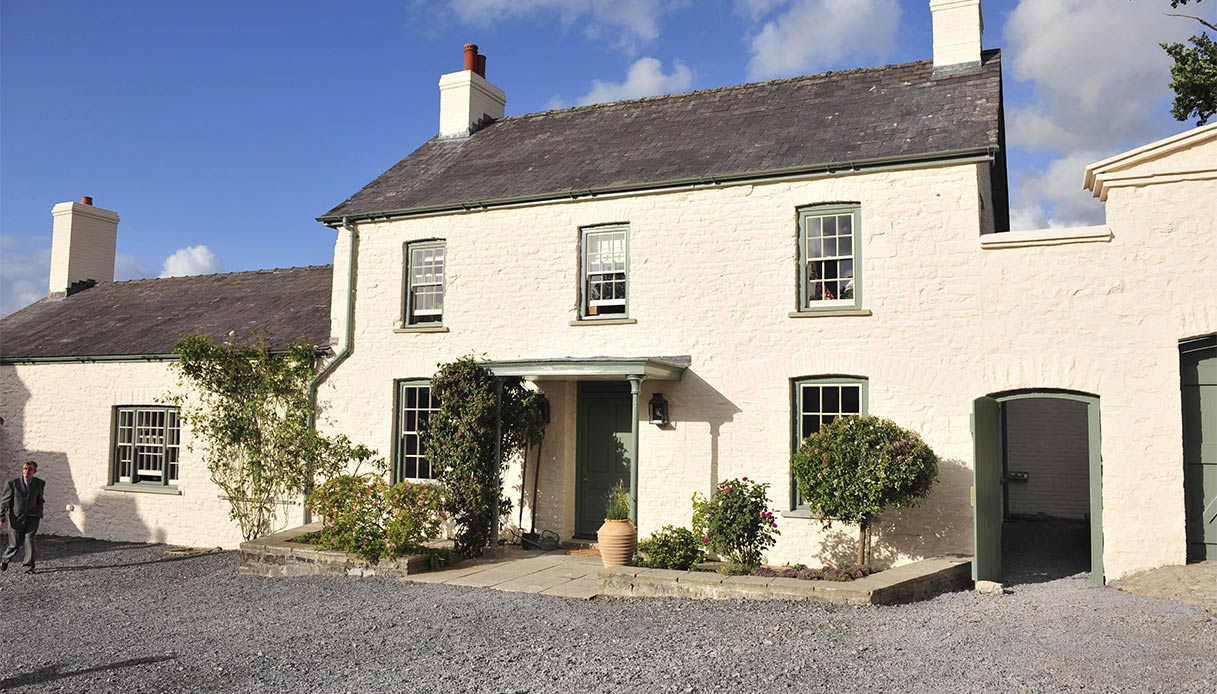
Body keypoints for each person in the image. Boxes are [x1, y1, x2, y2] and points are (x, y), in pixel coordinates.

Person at [1, 460, 45, 574]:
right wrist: (1, 517)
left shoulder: (39, 483)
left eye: (30, 469)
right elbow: (5, 502)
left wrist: (39, 510)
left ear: (34, 471)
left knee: (29, 540)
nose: (27, 471)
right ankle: (5, 560)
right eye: (25, 468)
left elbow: (40, 499)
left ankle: (29, 566)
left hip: (33, 517)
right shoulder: (12, 484)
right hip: (17, 518)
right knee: (14, 544)